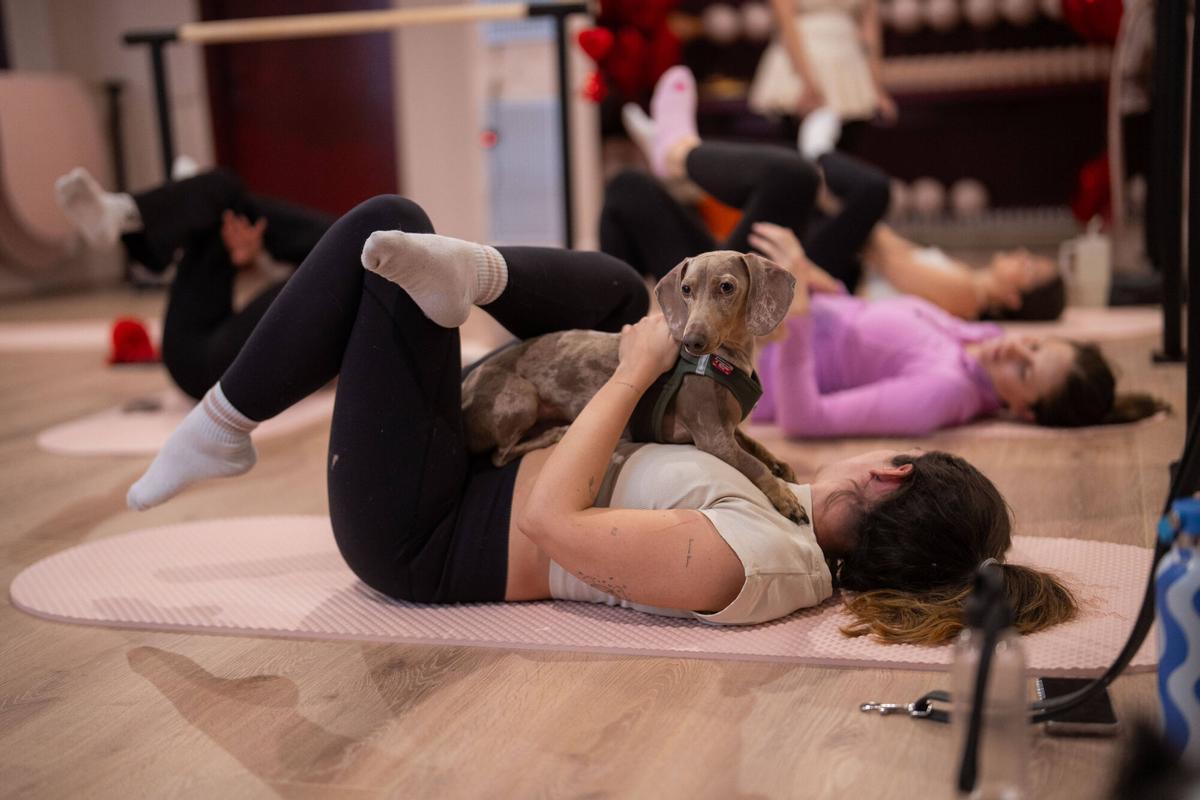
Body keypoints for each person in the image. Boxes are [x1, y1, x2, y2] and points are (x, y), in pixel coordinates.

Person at [124, 193, 1076, 644]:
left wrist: (634, 374)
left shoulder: (761, 565)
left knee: (384, 231)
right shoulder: (793, 517)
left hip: (426, 530)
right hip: (485, 462)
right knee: (629, 289)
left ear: (894, 474)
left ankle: (222, 420)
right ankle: (479, 276)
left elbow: (552, 527)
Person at [748, 237, 1167, 437]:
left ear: (1024, 412)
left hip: (743, 351)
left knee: (791, 183)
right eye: (1035, 346)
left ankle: (680, 150)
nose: (1015, 350)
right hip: (765, 307)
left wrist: (798, 307)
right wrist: (822, 285)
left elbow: (804, 419)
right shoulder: (973, 335)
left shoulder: (942, 392)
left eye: (1025, 370)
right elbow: (861, 331)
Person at [55, 167, 332, 400]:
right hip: (198, 351)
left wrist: (259, 259)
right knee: (225, 199)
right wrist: (255, 254)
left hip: (220, 373)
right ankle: (173, 207)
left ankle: (164, 209)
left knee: (341, 248)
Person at [748, 0, 896, 150]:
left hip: (849, 70)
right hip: (800, 68)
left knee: (847, 153)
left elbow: (870, 30)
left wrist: (877, 88)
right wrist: (807, 82)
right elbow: (786, 25)